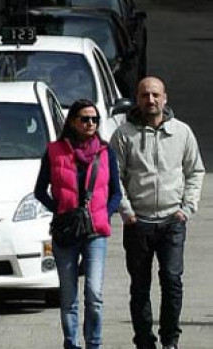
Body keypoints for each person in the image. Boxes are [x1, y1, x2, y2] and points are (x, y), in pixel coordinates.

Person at [111, 76, 205, 349]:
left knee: (172, 281)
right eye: (144, 95)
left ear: (165, 98)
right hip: (137, 222)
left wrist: (187, 208)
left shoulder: (182, 132)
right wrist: (126, 211)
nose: (150, 100)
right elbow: (114, 177)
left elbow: (195, 171)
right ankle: (144, 341)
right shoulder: (123, 135)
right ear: (137, 100)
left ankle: (170, 340)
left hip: (172, 221)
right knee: (140, 286)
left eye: (155, 95)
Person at [34, 99, 122, 349]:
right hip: (66, 232)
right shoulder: (54, 151)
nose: (90, 124)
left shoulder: (106, 152)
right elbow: (40, 191)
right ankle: (71, 343)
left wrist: (104, 213)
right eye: (85, 119)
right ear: (72, 121)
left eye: (94, 119)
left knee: (94, 293)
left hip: (96, 232)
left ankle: (94, 343)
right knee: (68, 295)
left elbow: (116, 192)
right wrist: (61, 210)